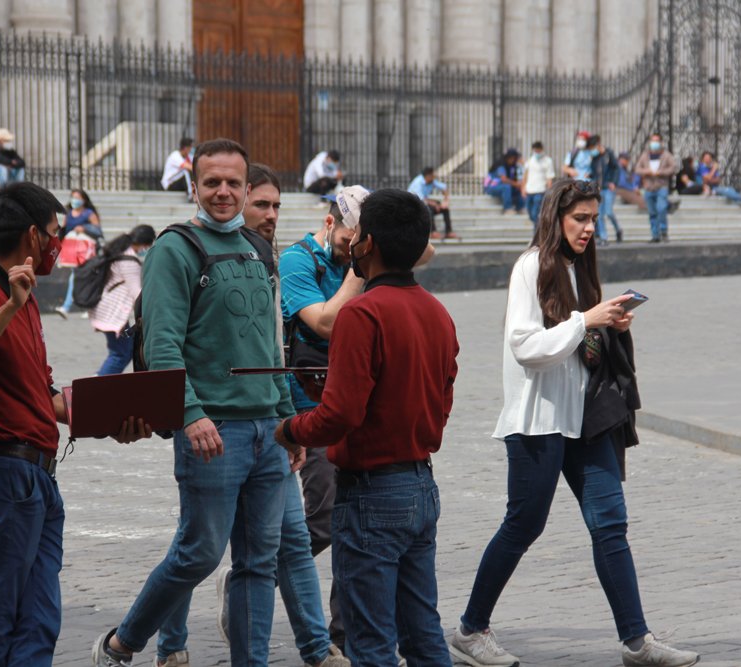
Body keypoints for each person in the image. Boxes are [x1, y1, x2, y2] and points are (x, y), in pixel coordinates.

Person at [448, 179, 700, 667]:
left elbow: (581, 345)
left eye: (593, 218)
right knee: (523, 525)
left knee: (611, 524)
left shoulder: (580, 270)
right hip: (537, 421)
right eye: (579, 218)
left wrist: (611, 323)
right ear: (555, 218)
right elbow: (526, 346)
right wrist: (587, 321)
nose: (589, 228)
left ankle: (637, 641)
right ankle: (470, 629)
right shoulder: (530, 267)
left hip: (586, 419)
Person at [91, 138, 295, 667]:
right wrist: (190, 414)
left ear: (247, 187)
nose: (223, 192)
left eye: (233, 183)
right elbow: (162, 344)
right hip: (213, 430)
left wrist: (289, 417)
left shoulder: (258, 248)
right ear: (195, 187)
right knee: (199, 553)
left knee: (258, 564)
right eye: (212, 182)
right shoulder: (173, 250)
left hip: (267, 432)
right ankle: (122, 644)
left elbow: (270, 343)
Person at [0, 182, 148, 666]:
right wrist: (9, 306)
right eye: (55, 232)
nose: (59, 243)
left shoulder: (24, 297)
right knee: (3, 617)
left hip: (38, 478)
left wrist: (116, 417)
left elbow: (45, 395)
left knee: (41, 619)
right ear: (33, 235)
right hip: (6, 475)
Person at [274, 188, 460, 667]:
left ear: (366, 244)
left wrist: (292, 429)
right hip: (421, 482)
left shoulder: (361, 314)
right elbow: (443, 404)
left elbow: (340, 415)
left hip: (373, 491)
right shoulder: (437, 312)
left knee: (370, 642)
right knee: (422, 635)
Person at [204, 163, 353, 667]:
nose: (270, 215)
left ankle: (325, 644)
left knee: (302, 535)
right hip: (256, 417)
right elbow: (323, 325)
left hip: (296, 415)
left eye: (276, 206)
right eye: (261, 204)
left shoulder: (266, 258)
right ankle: (143, 641)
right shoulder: (292, 261)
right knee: (199, 548)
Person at [88, 225, 155, 376]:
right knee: (120, 354)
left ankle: (100, 379)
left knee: (121, 350)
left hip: (106, 308)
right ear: (145, 243)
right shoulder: (129, 260)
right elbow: (135, 291)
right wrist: (151, 307)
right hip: (113, 311)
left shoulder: (120, 251)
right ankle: (98, 384)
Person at [56, 189, 103, 319]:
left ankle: (66, 307)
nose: (74, 200)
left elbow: (98, 231)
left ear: (84, 200)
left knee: (76, 277)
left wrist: (85, 228)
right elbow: (63, 231)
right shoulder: (69, 214)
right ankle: (88, 307)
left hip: (86, 251)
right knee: (81, 278)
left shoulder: (89, 214)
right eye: (73, 197)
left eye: (77, 197)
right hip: (72, 251)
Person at [634, 133, 677, 243]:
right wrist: (647, 171)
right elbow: (637, 169)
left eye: (656, 141)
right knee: (652, 212)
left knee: (661, 208)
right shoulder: (645, 155)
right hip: (648, 188)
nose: (654, 143)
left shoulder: (666, 155)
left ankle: (663, 231)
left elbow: (673, 168)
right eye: (653, 141)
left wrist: (660, 173)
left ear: (660, 142)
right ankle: (655, 235)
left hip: (661, 186)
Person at [408, 166, 458, 239]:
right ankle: (432, 232)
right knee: (429, 209)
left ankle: (448, 231)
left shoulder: (431, 181)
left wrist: (445, 202)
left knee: (445, 209)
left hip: (425, 203)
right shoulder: (418, 182)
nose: (434, 177)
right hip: (414, 205)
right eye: (433, 175)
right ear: (428, 176)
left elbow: (444, 188)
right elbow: (421, 199)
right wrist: (435, 205)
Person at [591, 136, 623, 245]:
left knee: (609, 212)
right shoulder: (595, 158)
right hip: (599, 188)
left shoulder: (609, 153)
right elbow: (595, 172)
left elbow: (616, 168)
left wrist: (613, 182)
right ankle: (604, 237)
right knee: (599, 214)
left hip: (608, 187)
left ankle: (618, 229)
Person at [520, 141, 555, 229]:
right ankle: (539, 229)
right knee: (530, 214)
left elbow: (549, 178)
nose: (537, 152)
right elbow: (525, 175)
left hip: (540, 191)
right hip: (529, 190)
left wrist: (549, 192)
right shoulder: (530, 160)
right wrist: (523, 188)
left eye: (538, 150)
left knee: (536, 213)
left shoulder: (547, 161)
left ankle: (537, 234)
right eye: (535, 150)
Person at [484, 148, 525, 214]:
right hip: (491, 187)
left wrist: (518, 185)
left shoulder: (511, 167)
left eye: (514, 158)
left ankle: (520, 208)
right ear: (507, 157)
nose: (513, 160)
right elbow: (504, 179)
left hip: (501, 186)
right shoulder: (500, 165)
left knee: (517, 189)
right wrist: (516, 184)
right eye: (511, 158)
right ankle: (507, 208)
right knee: (506, 187)